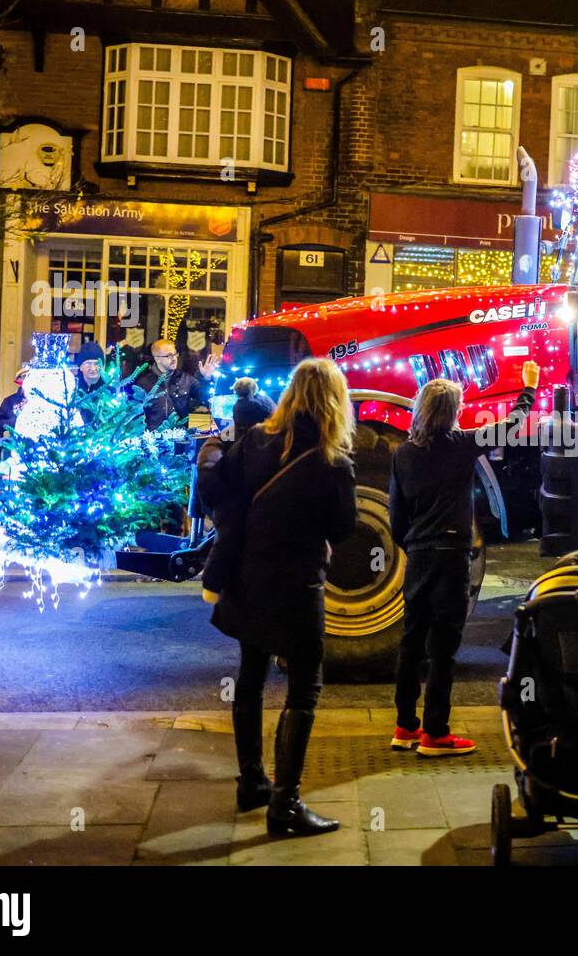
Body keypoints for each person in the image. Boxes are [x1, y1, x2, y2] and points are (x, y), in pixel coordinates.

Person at [197, 358, 357, 837]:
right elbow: (342, 528)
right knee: (304, 687)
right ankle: (285, 804)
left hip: (249, 576)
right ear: (334, 401)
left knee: (250, 674)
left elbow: (223, 492)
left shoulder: (255, 441)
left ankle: (252, 780)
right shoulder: (333, 462)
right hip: (297, 584)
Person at [389, 359, 540, 757]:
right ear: (451, 413)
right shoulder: (461, 445)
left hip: (420, 555)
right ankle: (435, 733)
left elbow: (395, 515)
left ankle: (405, 726)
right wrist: (528, 388)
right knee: (444, 647)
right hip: (452, 554)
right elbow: (510, 426)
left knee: (411, 641)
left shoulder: (403, 453)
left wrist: (412, 546)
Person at [132, 339, 219, 430]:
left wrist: (206, 378)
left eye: (175, 354)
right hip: (153, 438)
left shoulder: (186, 379)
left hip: (181, 436)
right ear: (157, 359)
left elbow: (206, 398)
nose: (174, 358)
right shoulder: (144, 383)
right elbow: (135, 414)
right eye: (169, 356)